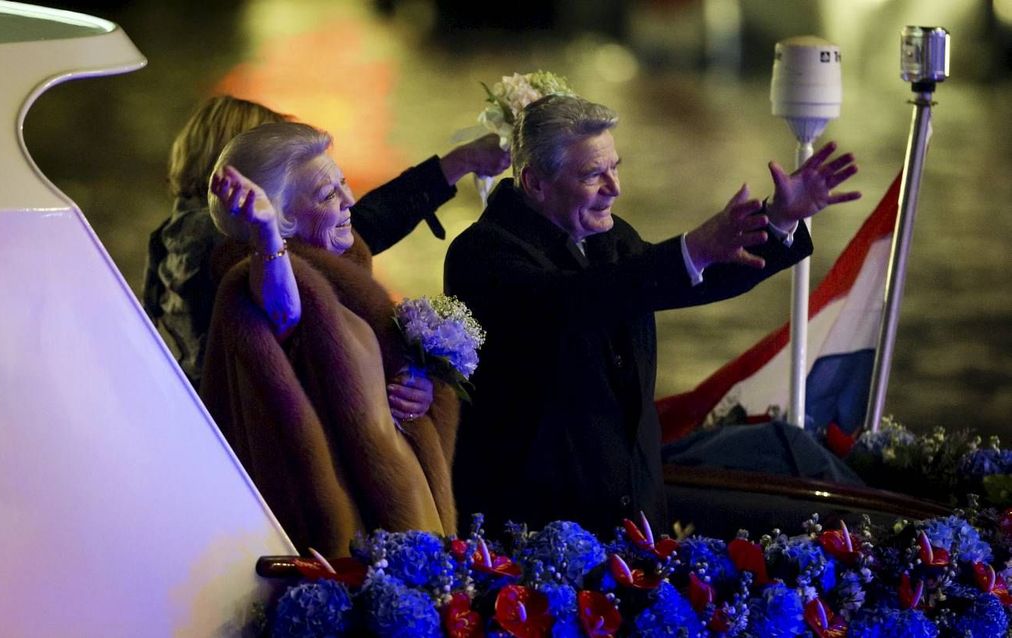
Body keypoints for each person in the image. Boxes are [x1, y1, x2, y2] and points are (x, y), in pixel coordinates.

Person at [443, 94, 860, 536]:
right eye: (592, 175)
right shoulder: (481, 255)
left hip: (636, 524)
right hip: (532, 538)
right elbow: (574, 301)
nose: (615, 187)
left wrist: (778, 221)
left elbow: (688, 278)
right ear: (535, 183)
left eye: (614, 167)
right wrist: (692, 248)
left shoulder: (613, 238)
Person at [201, 121, 460, 557]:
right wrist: (266, 236)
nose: (349, 201)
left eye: (343, 185)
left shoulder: (347, 281)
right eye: (327, 196)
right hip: (355, 539)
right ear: (282, 219)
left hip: (399, 514)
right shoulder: (265, 283)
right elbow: (284, 309)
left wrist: (421, 389)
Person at [142, 95, 509, 392]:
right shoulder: (235, 247)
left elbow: (360, 222)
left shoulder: (170, 239)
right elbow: (288, 323)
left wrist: (460, 162)